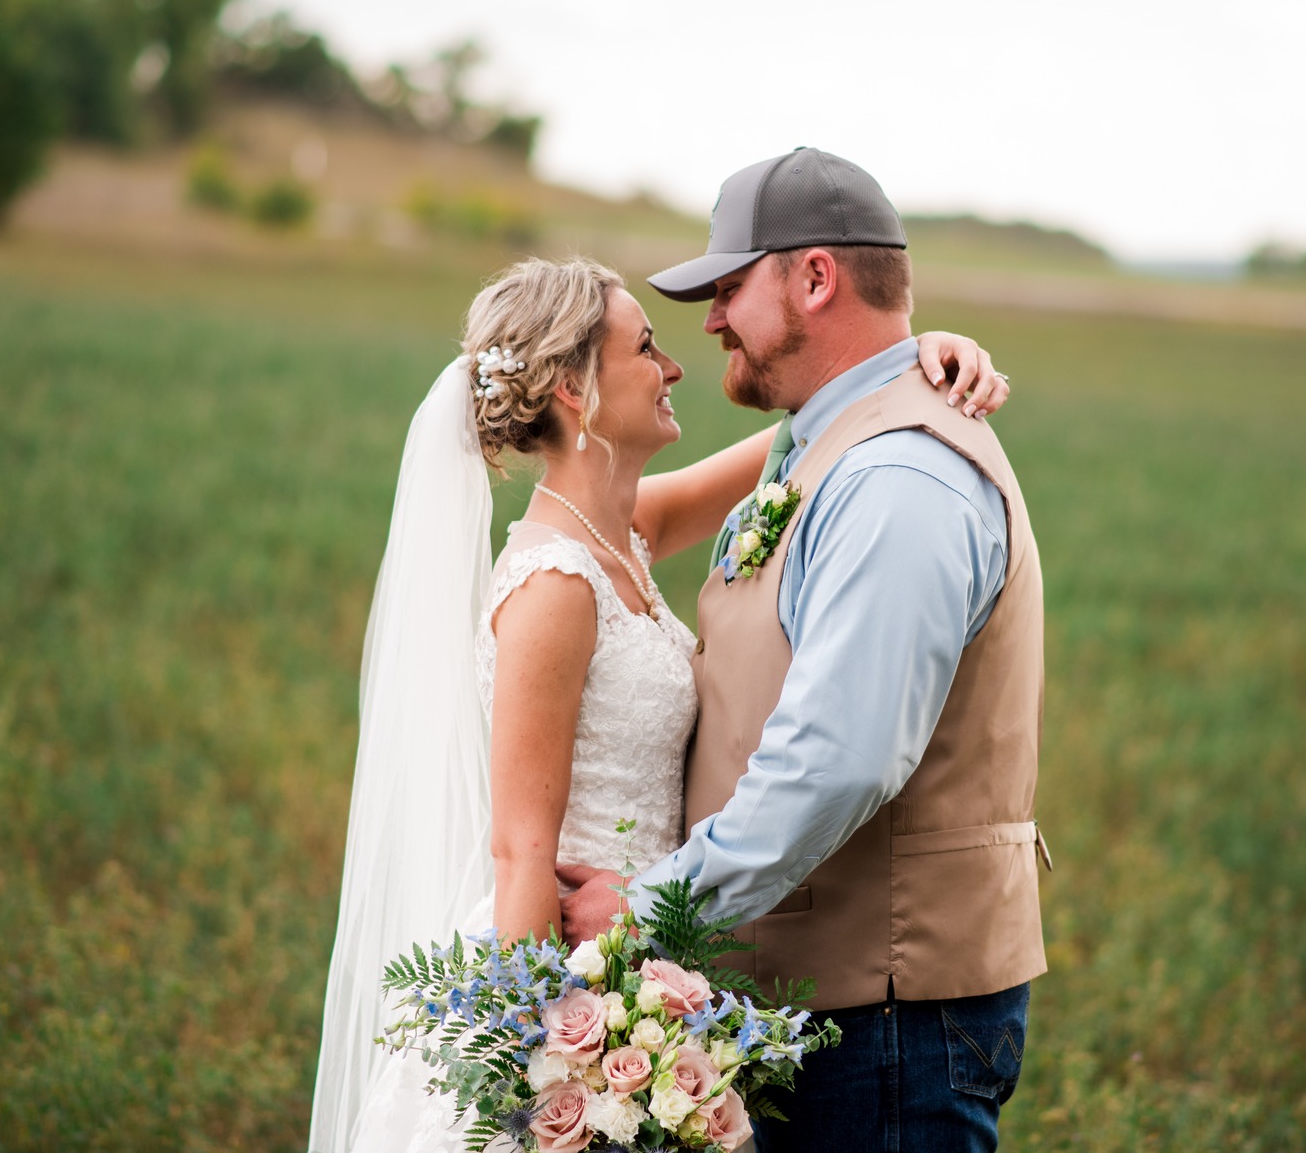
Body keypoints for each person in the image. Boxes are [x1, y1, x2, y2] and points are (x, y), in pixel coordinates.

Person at [309, 242, 1009, 1153]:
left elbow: (813, 432)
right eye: (646, 348)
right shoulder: (554, 585)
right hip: (575, 975)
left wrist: (911, 363)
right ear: (574, 389)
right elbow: (521, 850)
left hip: (644, 953)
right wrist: (543, 1072)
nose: (675, 365)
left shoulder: (622, 532)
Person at [560, 147, 1050, 1153]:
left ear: (813, 277)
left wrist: (648, 909)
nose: (707, 321)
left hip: (886, 1024)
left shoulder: (898, 481)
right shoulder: (826, 440)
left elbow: (839, 759)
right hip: (831, 1009)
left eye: (729, 288)